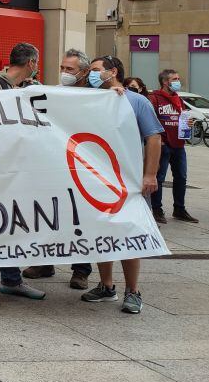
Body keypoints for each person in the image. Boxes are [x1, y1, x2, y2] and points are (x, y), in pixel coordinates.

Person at [80, 56, 163, 313]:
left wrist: (150, 175)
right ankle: (106, 285)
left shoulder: (137, 102)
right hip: (97, 181)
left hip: (128, 182)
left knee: (130, 233)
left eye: (95, 70)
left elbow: (154, 138)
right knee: (100, 231)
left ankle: (133, 290)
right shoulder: (88, 99)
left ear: (112, 72)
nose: (91, 75)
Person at [0, 41, 45, 305]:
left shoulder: (23, 88)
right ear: (31, 63)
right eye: (36, 62)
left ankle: (12, 280)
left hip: (14, 168)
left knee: (12, 223)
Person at [23, 49, 95, 288]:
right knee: (50, 214)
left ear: (84, 72)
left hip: (82, 166)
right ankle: (45, 262)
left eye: (70, 69)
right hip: (55, 164)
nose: (64, 73)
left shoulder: (98, 97)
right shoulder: (54, 93)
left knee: (81, 218)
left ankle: (81, 270)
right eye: (62, 68)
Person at [149, 69, 198, 224]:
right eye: (175, 79)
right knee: (159, 178)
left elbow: (181, 117)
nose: (178, 81)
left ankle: (179, 209)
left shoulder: (179, 99)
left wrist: (187, 123)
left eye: (178, 78)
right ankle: (157, 209)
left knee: (181, 177)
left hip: (178, 144)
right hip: (163, 144)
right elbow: (150, 120)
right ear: (165, 82)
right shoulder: (154, 98)